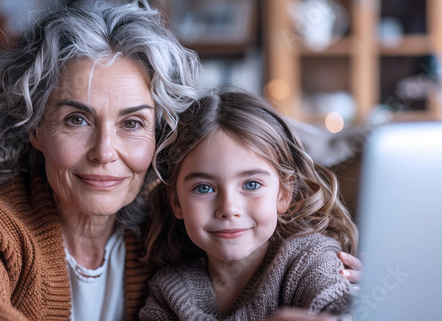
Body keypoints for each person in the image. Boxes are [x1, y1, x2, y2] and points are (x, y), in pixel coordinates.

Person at [0, 0, 200, 320]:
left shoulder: (174, 220)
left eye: (132, 124)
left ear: (158, 135)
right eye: (77, 119)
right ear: (34, 126)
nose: (104, 152)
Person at [140, 88, 359, 320]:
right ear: (177, 202)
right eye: (204, 188)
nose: (228, 209)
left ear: (283, 194)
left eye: (251, 185)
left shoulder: (310, 260)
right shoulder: (168, 289)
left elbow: (338, 308)